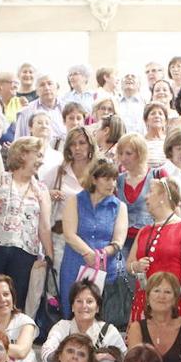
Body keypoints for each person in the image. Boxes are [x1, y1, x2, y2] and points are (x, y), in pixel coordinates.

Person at [0, 136, 54, 321]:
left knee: (15, 301)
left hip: (25, 253)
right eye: (38, 155)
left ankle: (10, 340)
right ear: (23, 154)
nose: (41, 160)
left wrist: (50, 257)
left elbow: (45, 227)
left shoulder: (41, 190)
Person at [127, 176, 181, 321]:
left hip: (175, 302)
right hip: (144, 301)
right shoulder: (143, 231)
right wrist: (135, 266)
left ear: (163, 196)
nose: (146, 197)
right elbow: (129, 264)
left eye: (150, 192)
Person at [59, 157, 127, 317]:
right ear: (94, 179)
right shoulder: (75, 200)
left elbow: (118, 241)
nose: (112, 184)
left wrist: (101, 255)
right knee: (71, 313)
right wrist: (88, 254)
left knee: (101, 316)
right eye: (107, 179)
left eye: (114, 179)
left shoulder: (119, 207)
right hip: (74, 265)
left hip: (106, 269)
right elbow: (69, 234)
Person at [39, 280, 127, 362]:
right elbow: (46, 351)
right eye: (79, 301)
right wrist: (89, 359)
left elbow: (125, 361)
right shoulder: (62, 327)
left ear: (98, 308)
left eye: (89, 301)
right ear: (72, 306)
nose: (84, 306)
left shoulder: (109, 330)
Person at [42, 125, 98, 275]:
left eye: (82, 143)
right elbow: (37, 195)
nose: (77, 148)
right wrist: (49, 194)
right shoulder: (58, 172)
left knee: (89, 288)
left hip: (90, 239)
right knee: (61, 286)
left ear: (90, 145)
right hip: (61, 240)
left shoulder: (99, 172)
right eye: (73, 144)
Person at [116, 133, 155, 245]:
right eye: (120, 153)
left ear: (140, 153)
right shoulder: (117, 180)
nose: (123, 158)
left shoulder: (158, 175)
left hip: (150, 240)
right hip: (122, 241)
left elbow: (172, 208)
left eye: (128, 153)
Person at [14, 75, 65, 142]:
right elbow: (18, 142)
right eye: (42, 85)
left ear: (57, 88)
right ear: (36, 91)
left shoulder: (67, 108)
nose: (47, 88)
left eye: (50, 84)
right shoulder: (26, 112)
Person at [142, 103, 169, 169]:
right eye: (153, 113)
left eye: (160, 114)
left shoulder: (170, 141)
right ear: (146, 120)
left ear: (165, 121)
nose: (157, 116)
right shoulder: (140, 142)